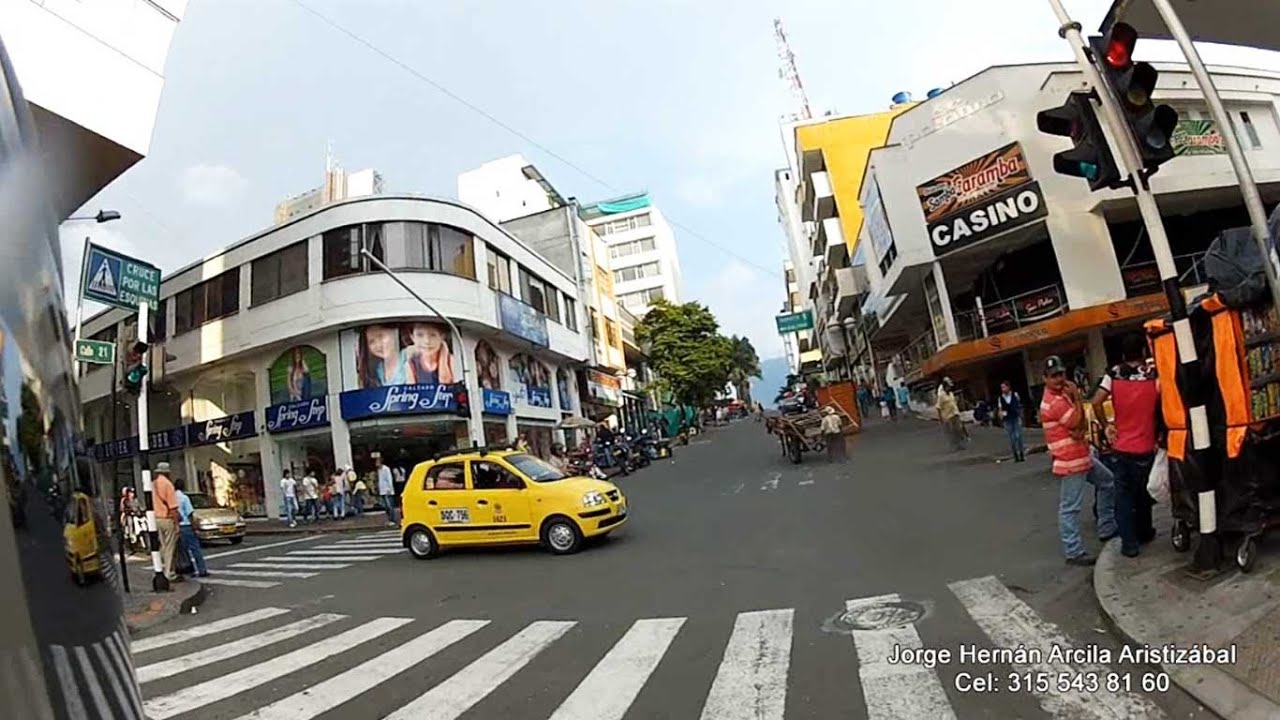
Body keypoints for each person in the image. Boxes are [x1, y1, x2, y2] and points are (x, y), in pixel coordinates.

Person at [1039, 355, 1118, 567]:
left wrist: (1079, 426)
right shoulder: (1053, 401)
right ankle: (1073, 551)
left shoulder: (1062, 395)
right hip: (1070, 461)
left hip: (1082, 455)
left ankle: (1107, 527)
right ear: (1045, 379)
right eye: (1054, 376)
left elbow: (1080, 427)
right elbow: (1076, 421)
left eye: (1061, 374)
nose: (1059, 379)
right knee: (1069, 507)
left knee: (1108, 481)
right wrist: (1076, 396)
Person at [1091, 335, 1159, 558]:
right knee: (1143, 494)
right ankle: (1145, 532)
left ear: (1122, 356)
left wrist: (1106, 427)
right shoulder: (1153, 375)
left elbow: (1096, 401)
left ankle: (1129, 544)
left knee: (1123, 496)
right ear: (1142, 353)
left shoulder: (1114, 374)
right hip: (1147, 446)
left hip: (1121, 447)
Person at [152, 462, 181, 582]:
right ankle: (168, 572)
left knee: (162, 546)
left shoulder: (153, 484)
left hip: (155, 519)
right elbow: (173, 507)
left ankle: (161, 568)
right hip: (166, 518)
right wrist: (177, 524)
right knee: (170, 547)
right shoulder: (168, 485)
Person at [174, 478, 209, 578]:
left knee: (184, 551)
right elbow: (189, 513)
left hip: (177, 526)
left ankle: (190, 570)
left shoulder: (172, 497)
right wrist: (194, 526)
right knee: (195, 549)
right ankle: (202, 570)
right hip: (186, 525)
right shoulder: (184, 498)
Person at [998, 380, 1026, 462]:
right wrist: (1001, 416)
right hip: (1007, 419)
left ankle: (1021, 453)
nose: (1003, 389)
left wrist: (1021, 415)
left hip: (1015, 417)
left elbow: (1018, 404)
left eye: (1004, 387)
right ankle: (1016, 455)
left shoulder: (1015, 395)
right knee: (1012, 437)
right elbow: (1000, 408)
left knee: (1018, 436)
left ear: (1008, 387)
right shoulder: (1000, 398)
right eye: (1001, 388)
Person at [936, 378, 964, 450]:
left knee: (958, 430)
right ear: (945, 387)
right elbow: (938, 407)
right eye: (948, 386)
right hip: (948, 416)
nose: (950, 388)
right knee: (952, 432)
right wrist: (941, 419)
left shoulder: (951, 394)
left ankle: (960, 444)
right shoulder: (941, 396)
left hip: (955, 414)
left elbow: (953, 403)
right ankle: (954, 445)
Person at [376, 456, 397, 526]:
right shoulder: (379, 470)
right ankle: (389, 519)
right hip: (382, 490)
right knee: (386, 507)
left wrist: (390, 489)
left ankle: (393, 520)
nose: (376, 464)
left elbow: (389, 479)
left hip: (387, 490)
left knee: (390, 506)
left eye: (377, 462)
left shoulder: (386, 469)